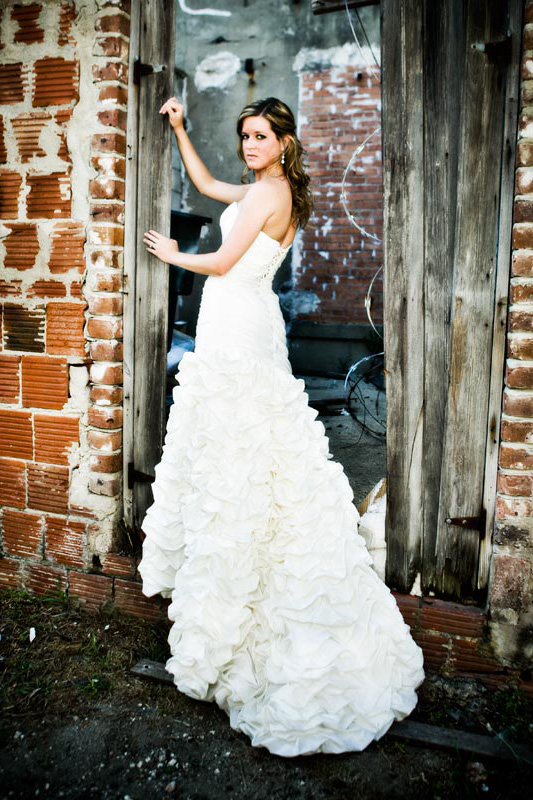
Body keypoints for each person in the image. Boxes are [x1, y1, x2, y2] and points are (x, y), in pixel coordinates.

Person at [138, 96, 425, 758]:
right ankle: (244, 562)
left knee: (243, 445)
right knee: (251, 446)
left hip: (237, 320)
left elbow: (219, 264)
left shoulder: (269, 193)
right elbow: (207, 184)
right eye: (245, 134)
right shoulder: (272, 189)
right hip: (246, 319)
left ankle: (248, 583)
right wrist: (180, 128)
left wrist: (174, 253)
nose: (249, 144)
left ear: (284, 143)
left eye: (261, 136)